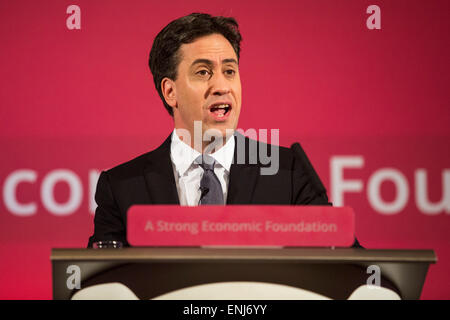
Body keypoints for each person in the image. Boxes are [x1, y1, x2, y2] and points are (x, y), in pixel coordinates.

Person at [88, 13, 361, 248]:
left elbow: (351, 266)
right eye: (203, 72)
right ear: (170, 92)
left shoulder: (288, 174)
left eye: (229, 71)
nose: (222, 86)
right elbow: (99, 285)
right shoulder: (122, 187)